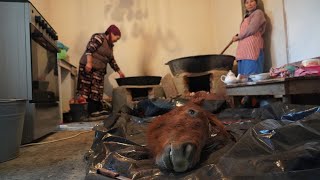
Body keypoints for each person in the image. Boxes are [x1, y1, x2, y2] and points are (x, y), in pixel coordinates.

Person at [77, 24, 125, 115]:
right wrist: (89, 62)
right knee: (85, 91)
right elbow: (89, 49)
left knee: (96, 93)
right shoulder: (99, 37)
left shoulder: (110, 46)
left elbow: (111, 60)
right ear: (111, 33)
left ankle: (94, 112)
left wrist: (119, 72)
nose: (116, 40)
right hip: (88, 67)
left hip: (99, 71)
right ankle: (84, 114)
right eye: (116, 38)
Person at [232, 0, 266, 79]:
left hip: (252, 51)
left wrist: (238, 37)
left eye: (251, 1)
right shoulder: (246, 16)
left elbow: (252, 29)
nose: (249, 4)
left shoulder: (258, 13)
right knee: (242, 80)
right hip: (243, 53)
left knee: (252, 78)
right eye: (247, 2)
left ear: (256, 3)